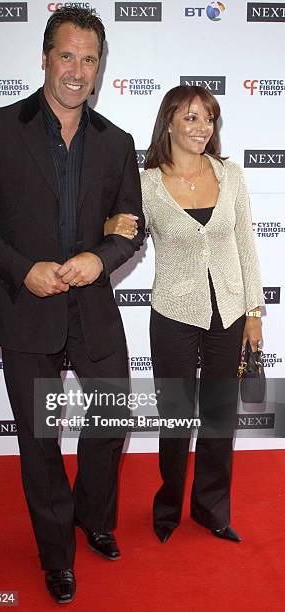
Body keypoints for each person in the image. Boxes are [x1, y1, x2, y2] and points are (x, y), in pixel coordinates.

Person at [0, 7, 144, 604]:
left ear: (100, 68)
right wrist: (21, 269)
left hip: (92, 308)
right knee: (39, 441)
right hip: (26, 310)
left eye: (89, 59)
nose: (77, 70)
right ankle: (56, 553)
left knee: (112, 417)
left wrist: (102, 258)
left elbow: (130, 226)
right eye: (67, 55)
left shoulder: (117, 142)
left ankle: (91, 514)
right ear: (43, 58)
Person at [104, 85, 264, 545]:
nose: (201, 128)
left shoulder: (230, 175)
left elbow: (246, 246)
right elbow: (124, 231)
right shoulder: (146, 181)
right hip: (173, 311)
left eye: (208, 119)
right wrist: (105, 226)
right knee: (175, 419)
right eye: (190, 117)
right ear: (169, 122)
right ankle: (168, 507)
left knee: (219, 418)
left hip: (230, 312)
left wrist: (254, 311)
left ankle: (211, 509)